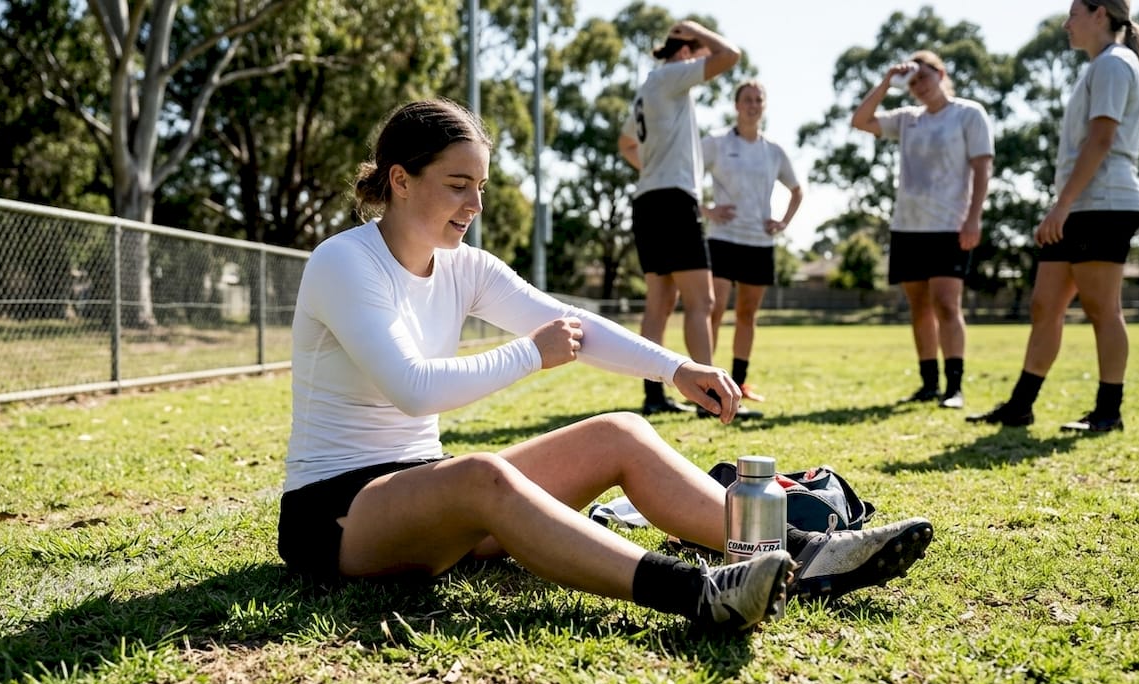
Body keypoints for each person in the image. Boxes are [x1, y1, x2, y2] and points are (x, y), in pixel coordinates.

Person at [279, 98, 935, 635]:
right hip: (335, 514)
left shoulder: (464, 266)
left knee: (619, 433)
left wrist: (677, 368)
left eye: (479, 186)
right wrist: (529, 355)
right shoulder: (345, 262)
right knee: (481, 475)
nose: (474, 205)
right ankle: (702, 594)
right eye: (457, 186)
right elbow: (412, 389)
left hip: (431, 499)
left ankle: (805, 556)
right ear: (399, 179)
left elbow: (576, 325)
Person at [969, 0, 1139, 433]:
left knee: (1103, 309)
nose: (1067, 24)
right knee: (1045, 305)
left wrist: (1061, 205)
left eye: (1073, 14)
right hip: (1081, 204)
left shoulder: (1114, 64)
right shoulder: (1099, 66)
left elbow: (1102, 140)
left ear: (1099, 13)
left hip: (1103, 204)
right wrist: (1064, 204)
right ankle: (1020, 406)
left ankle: (1108, 412)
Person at [851, 50, 995, 410]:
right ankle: (928, 384)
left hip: (950, 225)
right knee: (919, 308)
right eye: (912, 82)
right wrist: (887, 81)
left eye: (924, 77)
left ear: (941, 73)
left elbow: (982, 168)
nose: (919, 86)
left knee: (947, 304)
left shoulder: (968, 113)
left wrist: (974, 217)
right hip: (908, 227)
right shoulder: (906, 119)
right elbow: (860, 120)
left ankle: (954, 387)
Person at [618, 21, 740, 416]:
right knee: (701, 300)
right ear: (686, 51)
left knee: (660, 303)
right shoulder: (672, 76)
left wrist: (651, 170)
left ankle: (654, 397)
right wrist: (695, 28)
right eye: (697, 50)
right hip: (672, 201)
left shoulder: (647, 87)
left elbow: (625, 144)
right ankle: (712, 399)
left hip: (649, 201)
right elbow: (731, 56)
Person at [699, 80, 803, 419]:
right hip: (723, 239)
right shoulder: (715, 142)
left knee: (747, 315)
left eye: (758, 100)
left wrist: (783, 222)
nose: (753, 105)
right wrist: (707, 210)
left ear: (764, 106)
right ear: (736, 105)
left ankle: (738, 385)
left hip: (759, 242)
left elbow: (797, 190)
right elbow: (686, 177)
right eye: (747, 99)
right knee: (714, 310)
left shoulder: (772, 150)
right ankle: (707, 386)